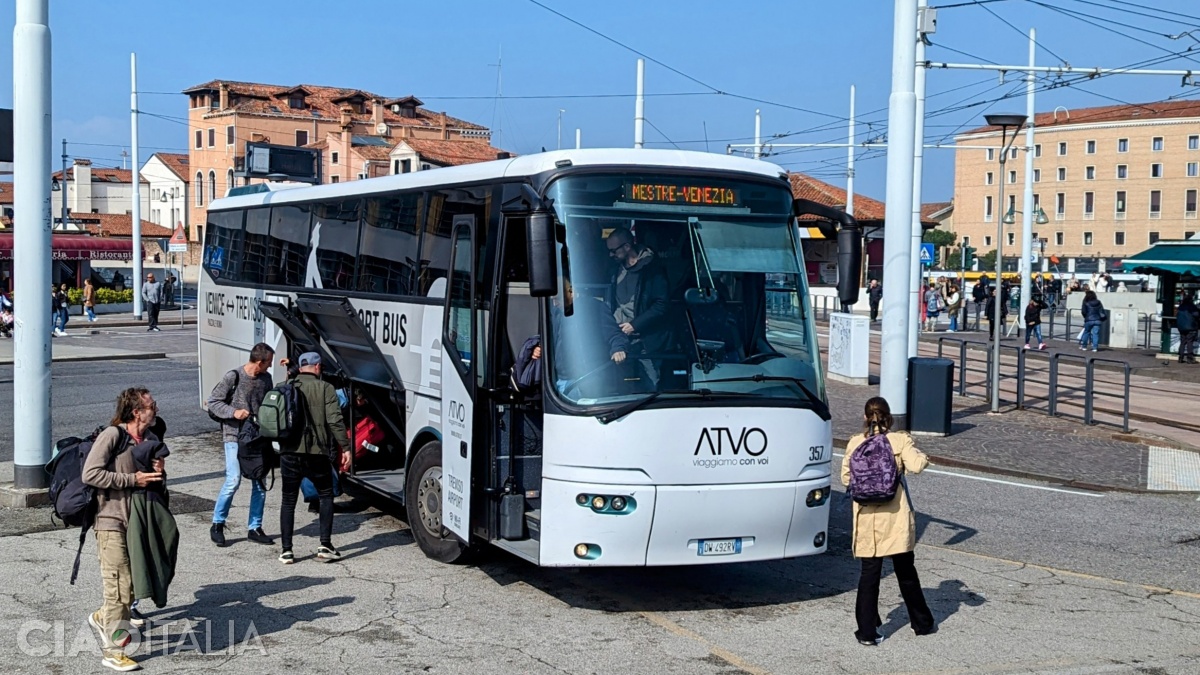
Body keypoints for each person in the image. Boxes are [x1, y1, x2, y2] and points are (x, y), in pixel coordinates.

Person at [82, 387, 164, 672]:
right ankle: (114, 651)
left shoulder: (149, 439)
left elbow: (151, 482)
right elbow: (90, 473)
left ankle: (102, 616)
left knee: (130, 590)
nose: (156, 408)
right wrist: (132, 478)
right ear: (136, 411)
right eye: (151, 405)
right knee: (118, 590)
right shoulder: (113, 435)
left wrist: (158, 472)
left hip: (138, 525)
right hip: (111, 522)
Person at [840, 396, 934, 645]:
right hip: (895, 518)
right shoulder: (899, 440)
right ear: (888, 417)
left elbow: (845, 478)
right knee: (906, 572)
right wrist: (922, 456)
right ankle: (921, 623)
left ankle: (867, 632)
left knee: (869, 575)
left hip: (867, 520)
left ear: (865, 417)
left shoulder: (855, 443)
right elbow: (915, 466)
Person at [279, 351, 350, 564]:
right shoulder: (325, 389)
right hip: (316, 451)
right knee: (326, 495)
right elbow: (335, 421)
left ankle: (287, 551)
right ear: (318, 367)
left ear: (300, 368)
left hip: (289, 452)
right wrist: (345, 448)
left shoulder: (288, 386)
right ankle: (324, 545)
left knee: (288, 499)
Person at [206, 342, 276, 547]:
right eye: (269, 363)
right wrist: (233, 413)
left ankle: (255, 527)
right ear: (260, 361)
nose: (270, 367)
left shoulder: (266, 379)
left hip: (256, 437)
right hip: (234, 435)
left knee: (260, 483)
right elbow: (213, 402)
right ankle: (217, 524)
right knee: (233, 480)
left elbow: (268, 404)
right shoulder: (233, 377)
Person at [605, 227, 670, 385]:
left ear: (627, 247)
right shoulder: (615, 270)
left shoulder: (652, 269)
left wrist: (634, 325)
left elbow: (661, 305)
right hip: (619, 337)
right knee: (620, 386)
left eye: (614, 251)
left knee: (651, 383)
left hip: (646, 340)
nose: (610, 255)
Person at [546, 278, 630, 399]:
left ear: (571, 291)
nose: (555, 304)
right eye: (552, 300)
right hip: (559, 380)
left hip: (586, 379)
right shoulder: (556, 313)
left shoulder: (595, 307)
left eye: (557, 299)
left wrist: (618, 349)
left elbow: (615, 334)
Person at [1176, 293, 1199, 364]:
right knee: (1189, 342)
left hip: (1181, 327)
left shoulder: (1181, 307)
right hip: (1191, 327)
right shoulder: (1192, 307)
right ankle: (1190, 358)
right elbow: (1197, 315)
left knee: (1183, 342)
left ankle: (1180, 357)